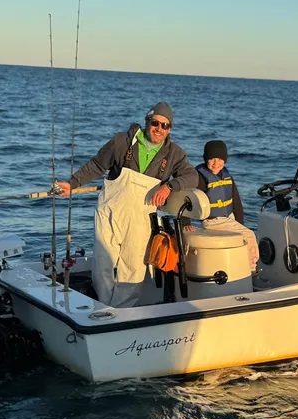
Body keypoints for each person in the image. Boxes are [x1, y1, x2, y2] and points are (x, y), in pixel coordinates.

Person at [55, 102, 198, 308]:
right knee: (102, 264)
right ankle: (105, 307)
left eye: (165, 126)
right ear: (147, 122)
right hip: (110, 213)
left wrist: (169, 186)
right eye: (156, 123)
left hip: (141, 219)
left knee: (133, 268)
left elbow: (192, 176)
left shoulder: (174, 153)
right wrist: (71, 184)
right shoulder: (121, 142)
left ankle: (121, 312)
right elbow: (96, 165)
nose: (159, 129)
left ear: (170, 129)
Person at [183, 140, 259, 272]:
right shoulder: (200, 178)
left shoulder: (226, 176)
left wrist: (240, 224)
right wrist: (185, 222)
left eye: (220, 159)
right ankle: (251, 270)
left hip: (229, 218)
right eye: (212, 159)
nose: (216, 163)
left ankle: (239, 267)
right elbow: (187, 198)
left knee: (243, 235)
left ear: (225, 160)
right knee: (250, 236)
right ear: (206, 159)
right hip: (214, 221)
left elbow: (236, 203)